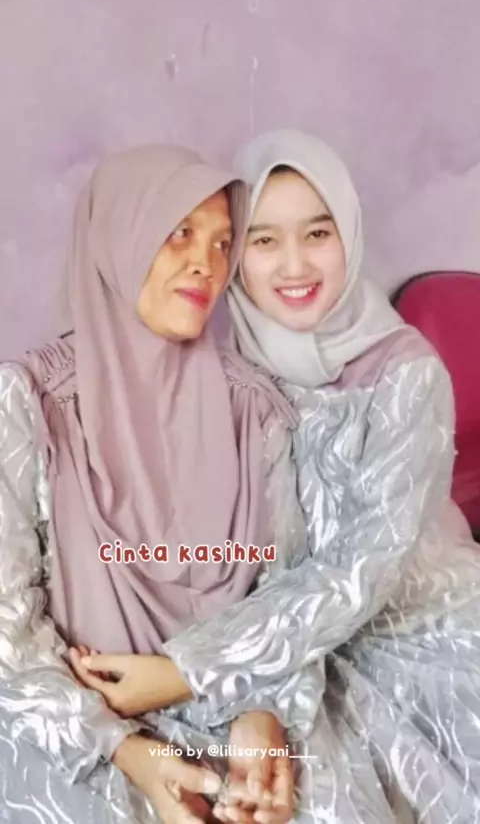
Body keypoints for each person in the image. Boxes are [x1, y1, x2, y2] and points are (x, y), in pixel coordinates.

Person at [0, 145, 304, 824]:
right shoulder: (28, 406)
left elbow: (289, 591)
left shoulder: (256, 409)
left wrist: (261, 714)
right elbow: (5, 627)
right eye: (180, 233)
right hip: (79, 732)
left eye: (222, 241)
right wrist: (126, 749)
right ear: (119, 237)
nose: (207, 263)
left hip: (239, 716)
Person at [203, 128, 480, 823]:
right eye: (264, 240)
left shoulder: (406, 372)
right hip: (286, 647)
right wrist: (252, 690)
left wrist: (199, 666)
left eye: (317, 233)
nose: (295, 264)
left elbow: (369, 566)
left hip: (418, 622)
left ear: (347, 235)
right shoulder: (221, 382)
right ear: (235, 255)